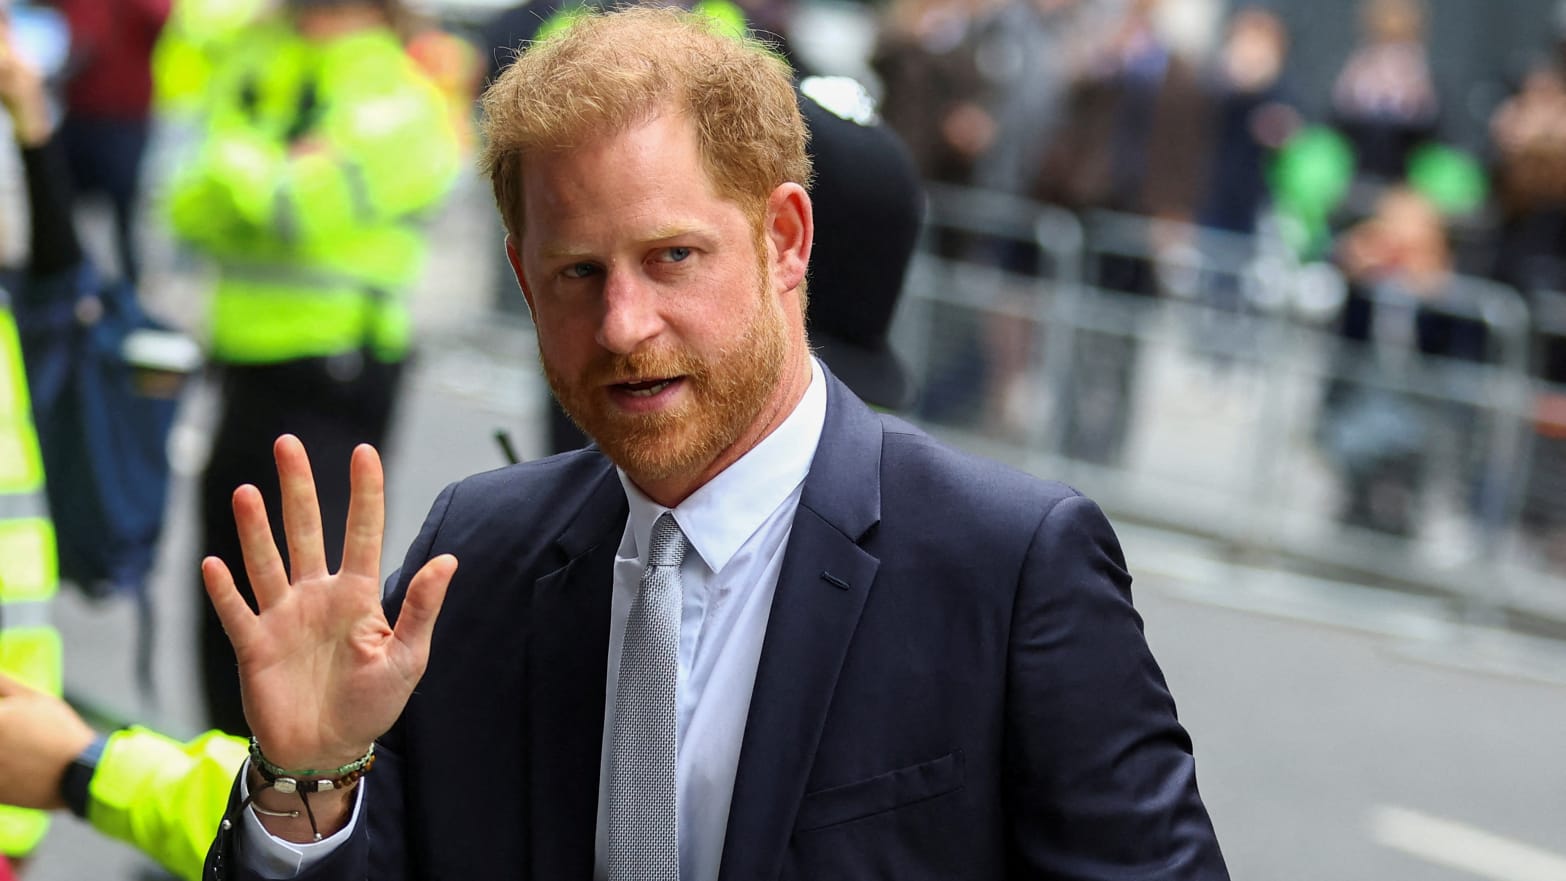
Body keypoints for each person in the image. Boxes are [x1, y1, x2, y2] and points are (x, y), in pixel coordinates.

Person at [201, 7, 1227, 879]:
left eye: (672, 256)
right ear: (522, 278)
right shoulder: (476, 555)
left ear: (786, 238)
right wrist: (308, 784)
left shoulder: (1008, 566)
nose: (623, 325)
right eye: (577, 274)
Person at [163, 0, 460, 737]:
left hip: (333, 377)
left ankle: (297, 823)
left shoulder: (400, 93)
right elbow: (182, 204)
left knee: (304, 617)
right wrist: (264, 172)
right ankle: (218, 812)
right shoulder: (258, 58)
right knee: (226, 602)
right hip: (242, 367)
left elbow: (294, 207)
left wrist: (236, 158)